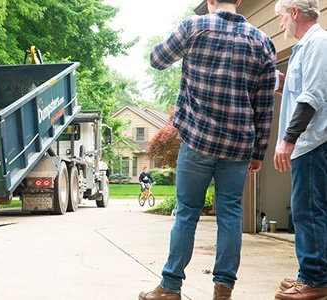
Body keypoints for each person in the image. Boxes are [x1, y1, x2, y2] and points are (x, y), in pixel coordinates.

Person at [138, 0, 276, 299]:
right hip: (238, 147)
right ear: (238, 1)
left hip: (198, 141)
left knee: (187, 213)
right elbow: (265, 104)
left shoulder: (193, 27)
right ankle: (223, 288)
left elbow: (157, 59)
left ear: (210, 1)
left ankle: (170, 287)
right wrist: (258, 152)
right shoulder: (262, 41)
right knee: (230, 215)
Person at [272, 1, 327, 299]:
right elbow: (297, 89)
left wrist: (288, 139)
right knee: (311, 209)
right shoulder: (303, 49)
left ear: (294, 12)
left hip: (312, 142)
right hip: (308, 143)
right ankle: (313, 272)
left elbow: (313, 96)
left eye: (281, 16)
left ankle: (314, 280)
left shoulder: (318, 43)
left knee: (308, 211)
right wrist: (275, 80)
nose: (280, 23)